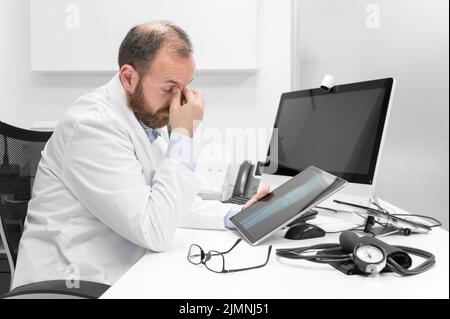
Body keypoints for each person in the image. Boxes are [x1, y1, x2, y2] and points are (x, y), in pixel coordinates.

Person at [12, 21, 269, 288]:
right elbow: (154, 229)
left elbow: (171, 204)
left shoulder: (145, 119)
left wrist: (236, 215)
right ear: (129, 77)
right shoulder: (91, 126)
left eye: (184, 86)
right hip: (73, 287)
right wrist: (184, 133)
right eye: (169, 88)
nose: (178, 100)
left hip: (123, 274)